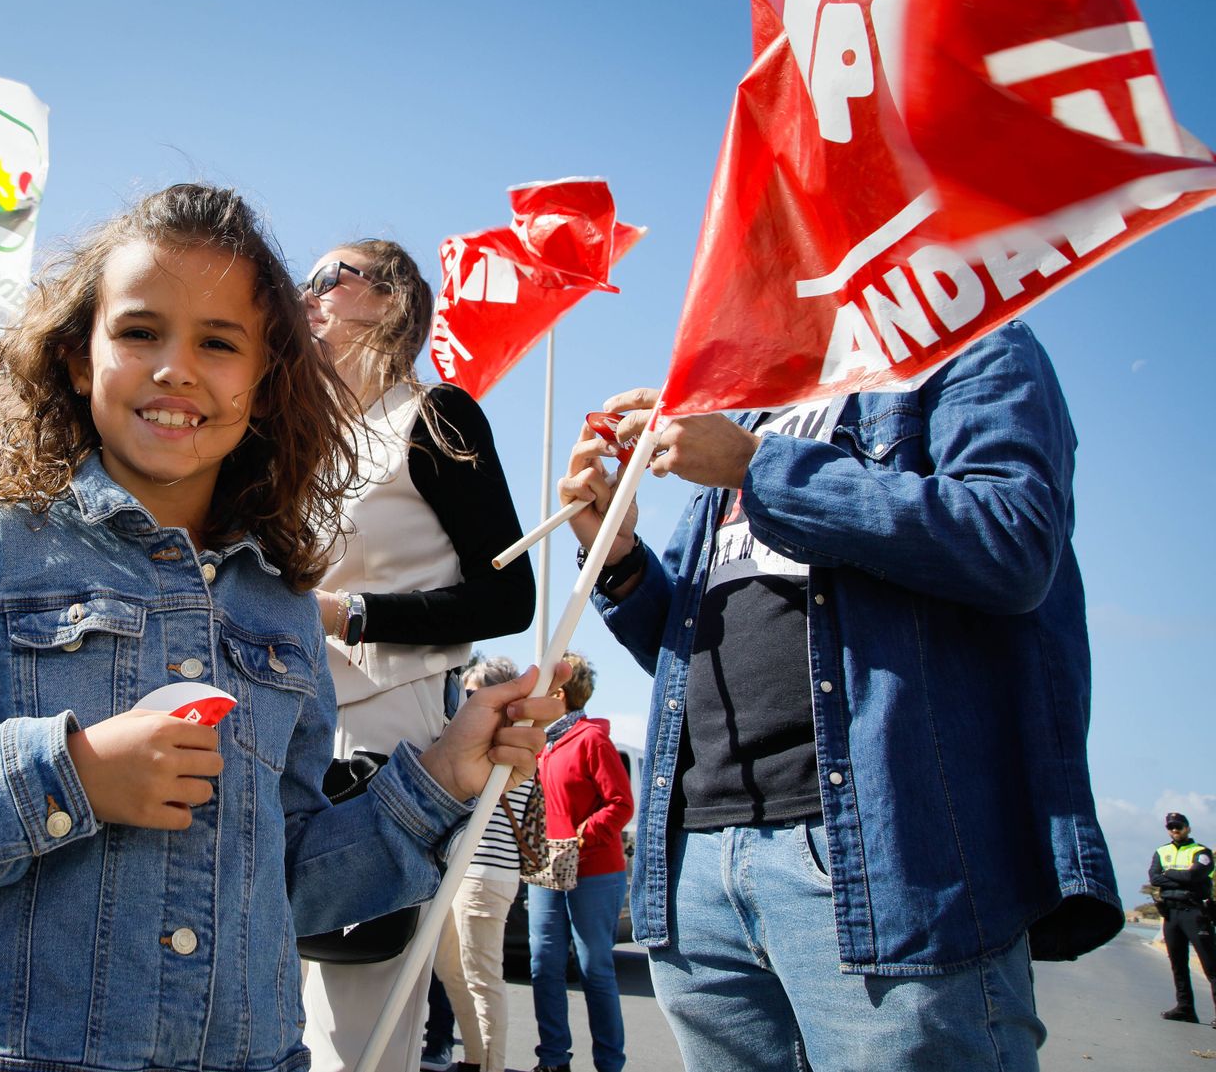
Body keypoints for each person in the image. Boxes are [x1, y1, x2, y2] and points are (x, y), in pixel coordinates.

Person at [0, 184, 568, 1072]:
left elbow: (295, 881)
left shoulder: (285, 609)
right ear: (80, 357)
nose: (176, 369)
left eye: (220, 342)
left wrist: (436, 778)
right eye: (141, 331)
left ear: (266, 383)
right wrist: (67, 776)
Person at [560, 321, 1122, 1072]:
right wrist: (621, 555)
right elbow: (687, 641)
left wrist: (758, 468)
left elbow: (1012, 539)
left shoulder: (972, 342)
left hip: (882, 858)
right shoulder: (750, 402)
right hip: (699, 864)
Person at [297, 239, 535, 1072]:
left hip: (382, 729)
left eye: (333, 275)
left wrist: (350, 612)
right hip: (283, 726)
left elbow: (512, 595)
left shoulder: (435, 415)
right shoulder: (307, 441)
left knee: (353, 1016)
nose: (310, 290)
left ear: (392, 300)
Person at [526, 652, 632, 1072]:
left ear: (561, 692)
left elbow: (621, 804)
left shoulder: (592, 739)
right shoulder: (540, 742)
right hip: (546, 871)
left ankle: (609, 1064)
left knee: (595, 970)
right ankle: (553, 1061)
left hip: (596, 872)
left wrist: (582, 836)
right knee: (543, 965)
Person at [429, 654, 535, 1072]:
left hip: (484, 873)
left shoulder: (509, 751)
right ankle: (476, 1058)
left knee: (481, 977)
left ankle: (490, 1064)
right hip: (467, 872)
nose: (467, 703)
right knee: (452, 972)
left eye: (474, 694)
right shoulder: (499, 747)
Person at [1150, 811, 1216, 1024]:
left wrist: (1168, 874)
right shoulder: (1161, 851)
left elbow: (1193, 875)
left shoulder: (1201, 852)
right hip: (1171, 913)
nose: (1175, 830)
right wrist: (1178, 877)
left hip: (1195, 912)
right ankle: (1185, 1007)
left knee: (1211, 965)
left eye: (1179, 826)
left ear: (1188, 828)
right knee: (1177, 963)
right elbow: (1154, 878)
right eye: (1171, 827)